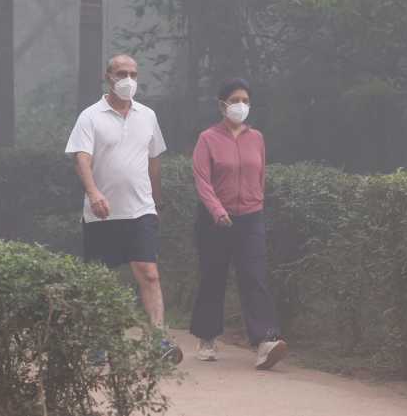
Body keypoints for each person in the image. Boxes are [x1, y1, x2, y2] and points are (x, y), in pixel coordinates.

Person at [65, 54, 182, 364]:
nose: (128, 80)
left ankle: (159, 341)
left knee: (150, 274)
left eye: (133, 74)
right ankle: (98, 342)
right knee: (100, 279)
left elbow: (154, 161)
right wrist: (93, 193)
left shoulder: (148, 116)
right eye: (121, 73)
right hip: (101, 213)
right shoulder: (90, 116)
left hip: (140, 210)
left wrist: (156, 201)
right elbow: (81, 158)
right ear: (109, 77)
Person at [190, 78, 287, 370]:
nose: (240, 105)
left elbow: (260, 174)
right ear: (222, 105)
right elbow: (202, 180)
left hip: (250, 218)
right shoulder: (207, 138)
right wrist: (217, 210)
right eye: (235, 100)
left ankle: (265, 342)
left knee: (254, 277)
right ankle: (207, 338)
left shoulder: (256, 138)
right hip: (214, 220)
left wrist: (257, 204)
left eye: (245, 100)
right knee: (213, 277)